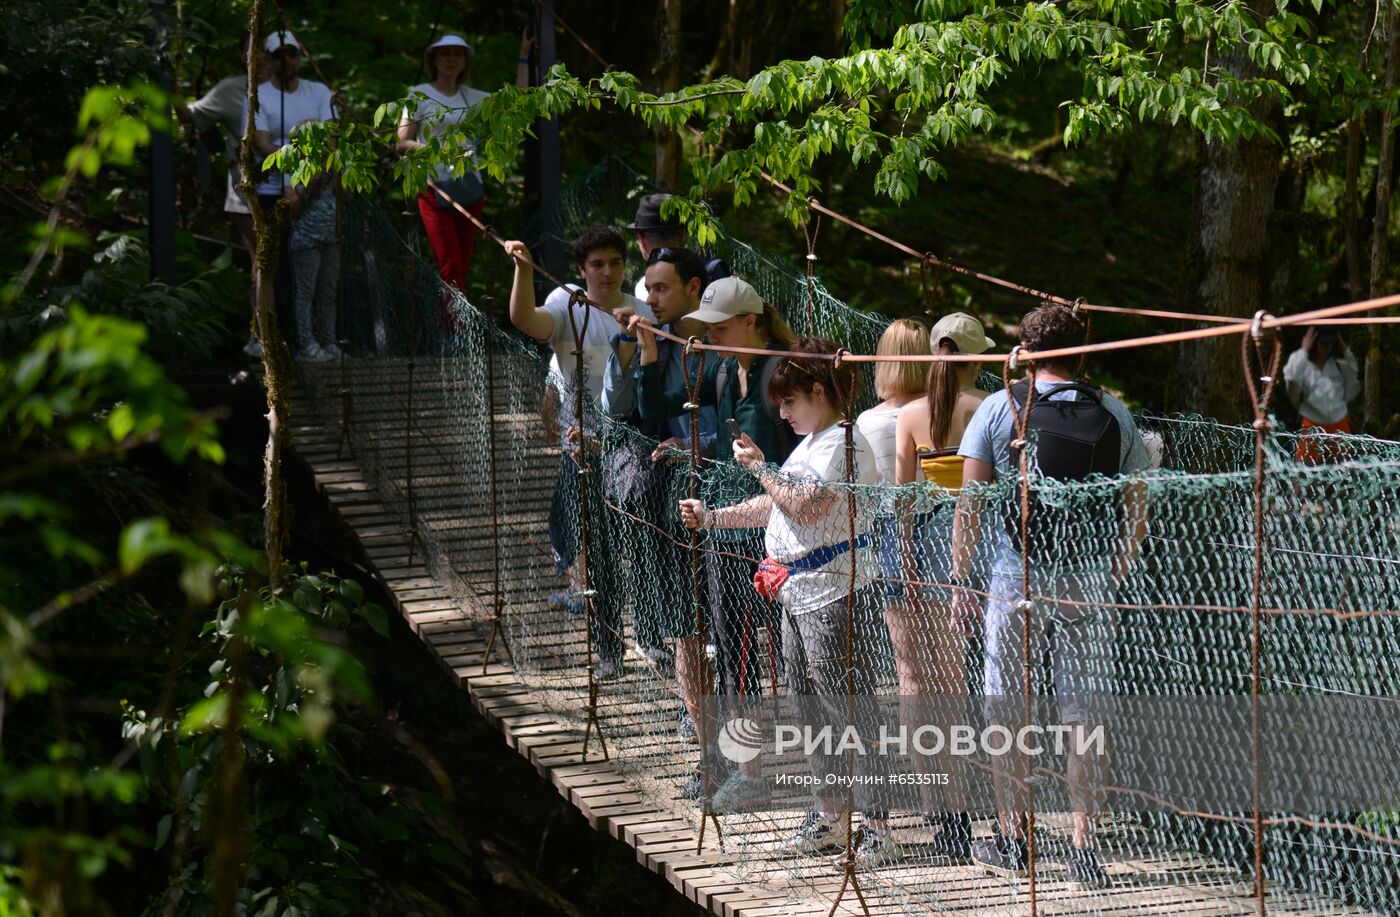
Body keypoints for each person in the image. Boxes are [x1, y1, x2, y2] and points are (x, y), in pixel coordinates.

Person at [949, 303, 1150, 888]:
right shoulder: (1112, 411)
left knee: (1006, 703)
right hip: (1087, 575)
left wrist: (964, 579)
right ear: (1080, 351)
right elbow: (1138, 499)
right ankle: (1085, 845)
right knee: (1084, 709)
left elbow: (971, 505)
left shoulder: (1001, 405)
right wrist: (1114, 570)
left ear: (1027, 351)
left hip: (1017, 572)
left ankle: (1016, 835)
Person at [678, 337, 898, 867]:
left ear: (817, 391)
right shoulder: (811, 441)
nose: (782, 411)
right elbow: (776, 508)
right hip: (798, 596)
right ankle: (830, 816)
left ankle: (877, 827)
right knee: (807, 709)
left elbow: (802, 505)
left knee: (849, 711)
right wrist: (714, 517)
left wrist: (758, 466)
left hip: (836, 594)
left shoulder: (844, 443)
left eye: (789, 401)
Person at [630, 276, 797, 800]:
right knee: (732, 646)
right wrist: (650, 352)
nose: (712, 336)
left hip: (783, 527)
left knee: (774, 654)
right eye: (707, 328)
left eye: (721, 327)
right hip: (730, 522)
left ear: (752, 321)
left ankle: (800, 784)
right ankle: (748, 773)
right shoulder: (727, 369)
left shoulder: (781, 373)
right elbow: (660, 402)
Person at [505, 227, 651, 680]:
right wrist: (523, 271)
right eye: (597, 264)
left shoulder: (641, 309)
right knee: (599, 551)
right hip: (582, 448)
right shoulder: (566, 301)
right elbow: (526, 321)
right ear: (581, 269)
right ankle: (610, 649)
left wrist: (640, 334)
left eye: (615, 262)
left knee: (646, 544)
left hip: (632, 444)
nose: (607, 272)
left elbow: (655, 369)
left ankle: (652, 636)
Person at [886, 312, 995, 856]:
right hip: (972, 550)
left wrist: (903, 554)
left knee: (913, 682)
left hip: (915, 547)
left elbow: (902, 494)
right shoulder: (990, 410)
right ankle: (965, 810)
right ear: (977, 358)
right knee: (957, 687)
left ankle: (937, 810)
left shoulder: (908, 414)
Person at [603, 246, 717, 744]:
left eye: (661, 287)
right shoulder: (655, 337)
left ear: (694, 288)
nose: (650, 298)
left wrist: (699, 446)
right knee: (685, 620)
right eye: (647, 288)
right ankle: (695, 717)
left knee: (721, 625)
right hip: (673, 498)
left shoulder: (715, 346)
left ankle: (733, 735)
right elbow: (620, 406)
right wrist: (632, 351)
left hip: (722, 497)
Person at [178, 34, 269, 355]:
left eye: (264, 49)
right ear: (242, 55)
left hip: (297, 189)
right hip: (248, 190)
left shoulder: (293, 90)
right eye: (251, 49)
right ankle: (261, 338)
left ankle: (295, 337)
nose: (258, 56)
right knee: (263, 260)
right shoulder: (230, 89)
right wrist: (169, 95)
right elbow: (192, 117)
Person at [248, 29, 337, 351]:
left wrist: (306, 183)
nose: (285, 59)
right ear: (268, 60)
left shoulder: (319, 92)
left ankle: (313, 340)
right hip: (273, 191)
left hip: (316, 191)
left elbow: (330, 140)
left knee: (315, 275)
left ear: (300, 56)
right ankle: (266, 337)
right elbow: (261, 143)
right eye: (277, 54)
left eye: (291, 53)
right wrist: (294, 174)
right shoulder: (258, 95)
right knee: (270, 264)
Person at [397, 35, 490, 309]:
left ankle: (456, 328)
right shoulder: (418, 93)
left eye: (457, 54)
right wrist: (436, 151)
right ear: (433, 59)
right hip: (433, 186)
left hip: (469, 185)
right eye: (445, 54)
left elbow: (519, 100)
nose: (451, 59)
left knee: (463, 260)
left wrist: (524, 55)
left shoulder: (471, 96)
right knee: (449, 262)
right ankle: (455, 332)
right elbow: (401, 143)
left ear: (464, 62)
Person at [285, 121, 341, 360]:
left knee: (328, 294)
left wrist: (339, 172)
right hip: (306, 238)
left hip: (332, 238)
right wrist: (311, 182)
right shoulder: (293, 166)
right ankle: (307, 345)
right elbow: (290, 207)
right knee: (305, 293)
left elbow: (344, 196)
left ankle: (329, 343)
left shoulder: (334, 164)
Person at [626, 193, 731, 299]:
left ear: (642, 241)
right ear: (682, 234)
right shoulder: (714, 272)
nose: (651, 301)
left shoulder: (642, 289)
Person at [1283, 326, 1360, 465]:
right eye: (1323, 343)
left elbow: (1355, 371)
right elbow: (1291, 378)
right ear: (1314, 343)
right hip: (1312, 423)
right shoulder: (1303, 366)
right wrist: (1304, 349)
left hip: (1339, 424)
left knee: (1340, 475)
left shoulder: (1338, 365)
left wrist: (1343, 346)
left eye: (1330, 343)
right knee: (1303, 473)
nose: (1327, 348)